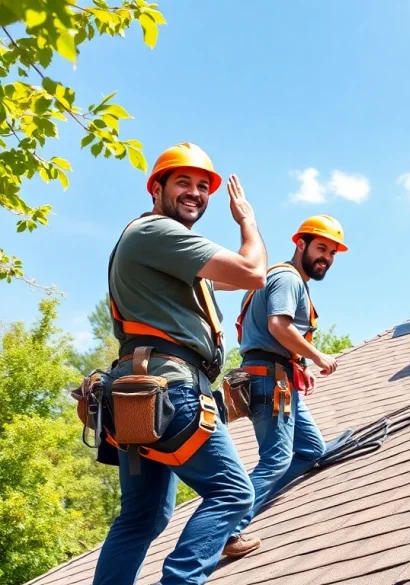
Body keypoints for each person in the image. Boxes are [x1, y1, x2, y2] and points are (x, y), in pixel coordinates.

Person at [95, 143, 268, 585]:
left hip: (139, 397)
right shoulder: (158, 233)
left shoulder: (165, 252)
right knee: (231, 493)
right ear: (157, 188)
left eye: (202, 186)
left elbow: (227, 278)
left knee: (142, 519)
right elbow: (252, 272)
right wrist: (247, 220)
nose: (195, 193)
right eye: (183, 183)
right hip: (170, 391)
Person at [223, 215, 346, 557]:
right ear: (300, 243)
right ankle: (228, 529)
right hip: (269, 379)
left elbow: (269, 332)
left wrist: (299, 364)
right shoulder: (288, 278)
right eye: (321, 248)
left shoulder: (279, 279)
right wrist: (317, 356)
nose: (327, 258)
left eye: (333, 253)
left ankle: (238, 513)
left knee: (310, 449)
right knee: (276, 460)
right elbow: (279, 325)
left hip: (274, 374)